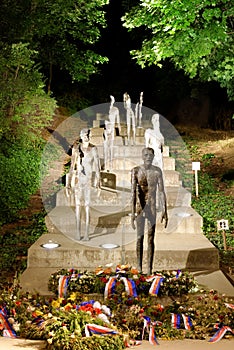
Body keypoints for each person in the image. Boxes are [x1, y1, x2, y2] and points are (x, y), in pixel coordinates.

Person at [131, 147, 168, 275]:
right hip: (140, 207)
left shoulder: (157, 172)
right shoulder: (136, 171)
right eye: (146, 155)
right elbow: (133, 194)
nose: (148, 157)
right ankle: (139, 267)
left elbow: (162, 191)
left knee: (151, 238)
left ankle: (149, 269)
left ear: (153, 157)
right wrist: (132, 213)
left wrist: (165, 210)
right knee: (139, 238)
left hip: (152, 207)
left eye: (150, 155)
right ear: (142, 156)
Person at [66, 128, 100, 241]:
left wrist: (98, 181)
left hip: (88, 180)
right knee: (77, 206)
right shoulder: (76, 149)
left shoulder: (93, 149)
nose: (85, 136)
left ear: (89, 136)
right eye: (83, 134)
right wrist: (68, 183)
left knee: (86, 207)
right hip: (78, 180)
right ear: (80, 136)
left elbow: (97, 166)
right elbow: (72, 166)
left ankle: (86, 233)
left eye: (87, 134)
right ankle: (77, 232)